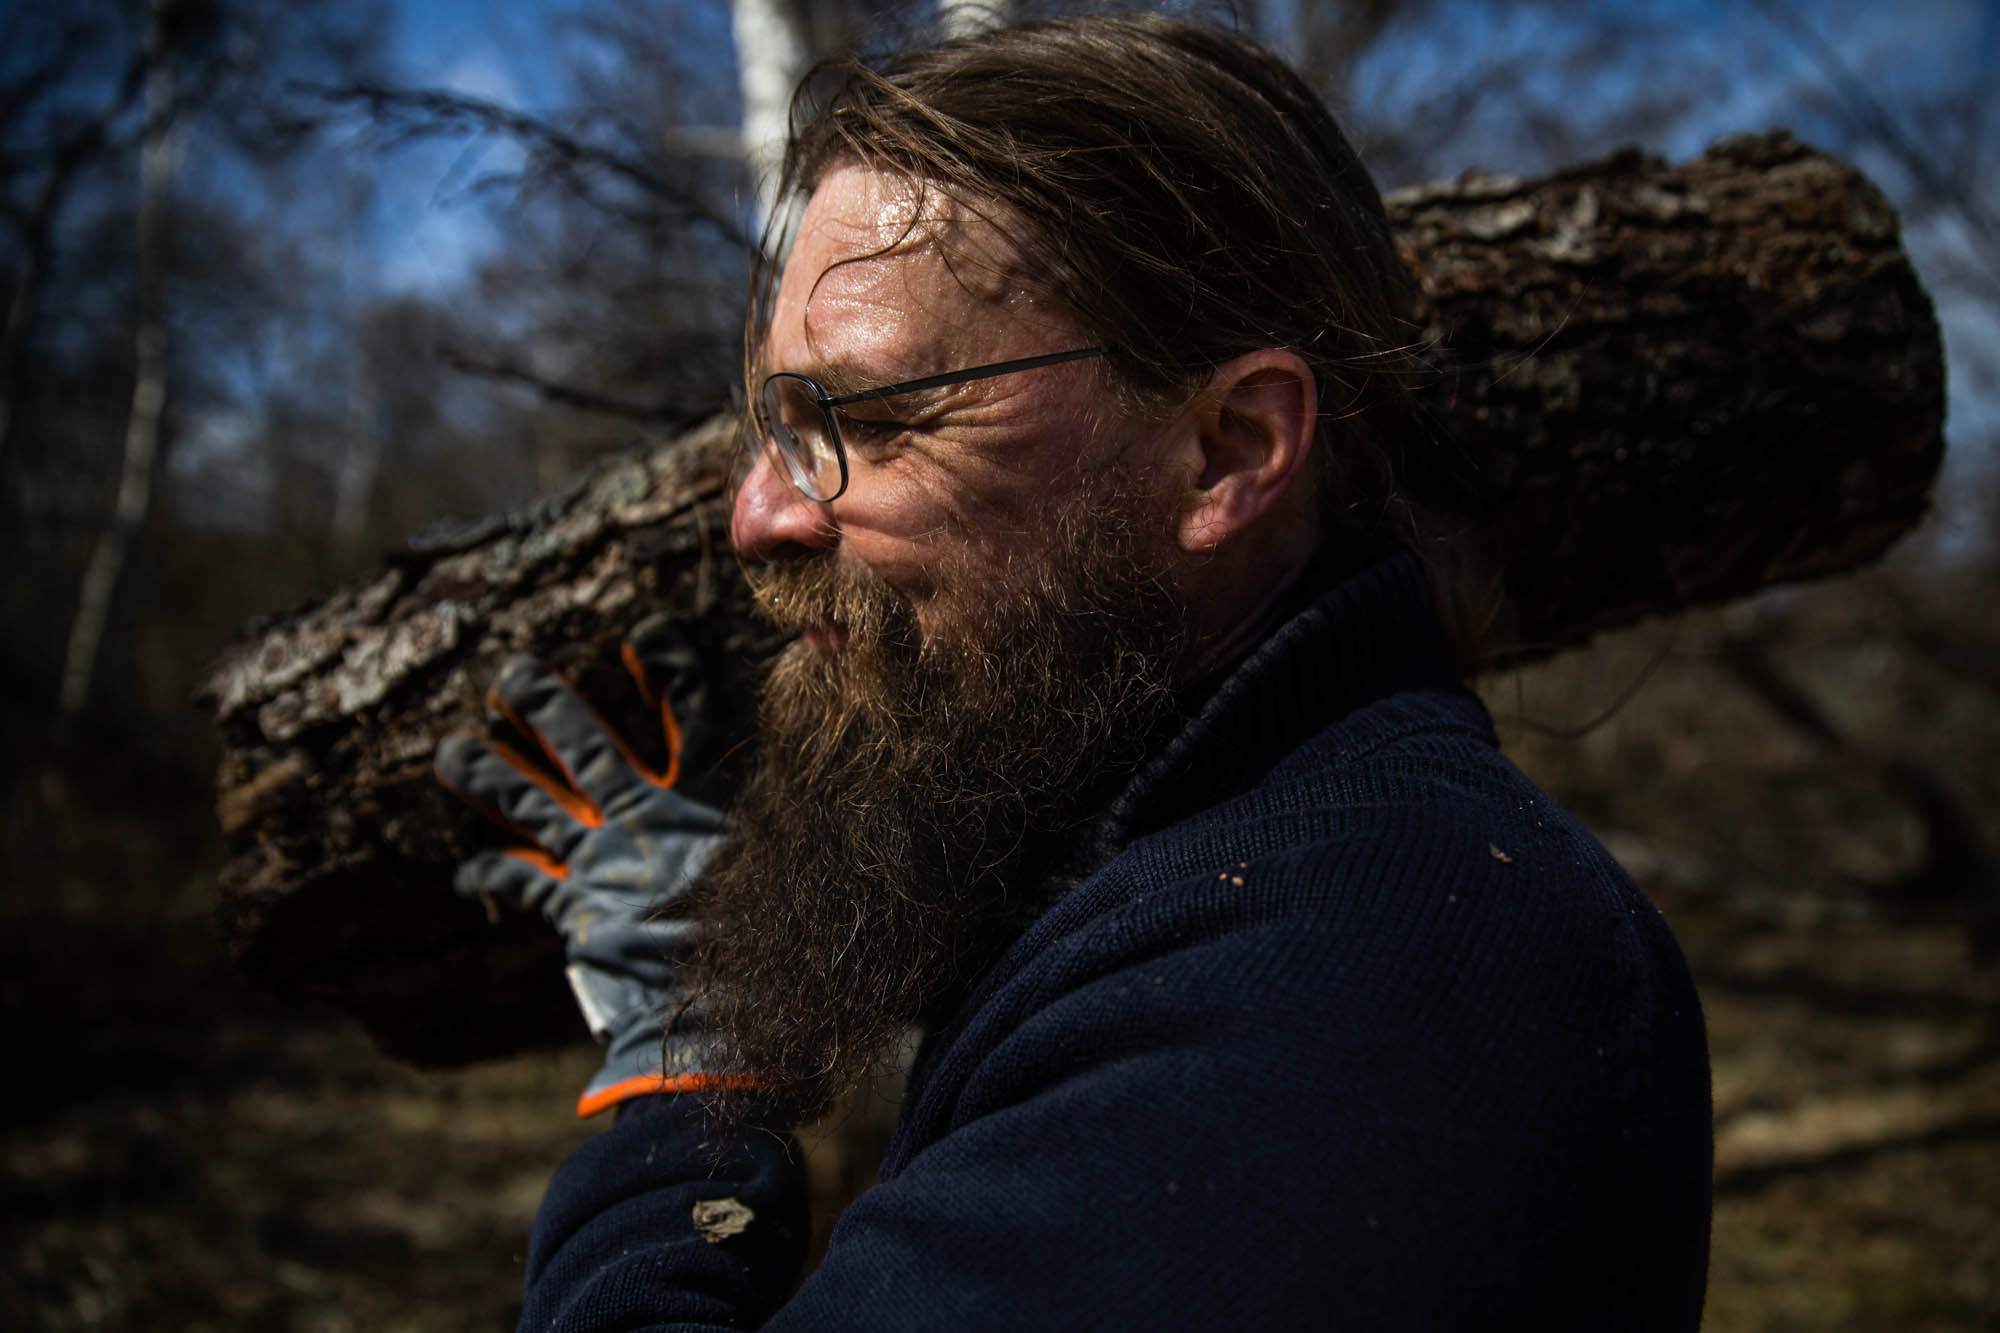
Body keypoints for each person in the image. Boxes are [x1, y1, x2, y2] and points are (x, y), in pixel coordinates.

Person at [434, 13, 1712, 1330]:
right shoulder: (1185, 860)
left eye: (867, 418)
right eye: (775, 420)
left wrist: (680, 1082)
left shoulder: (1356, 987)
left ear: (1227, 451)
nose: (758, 514)